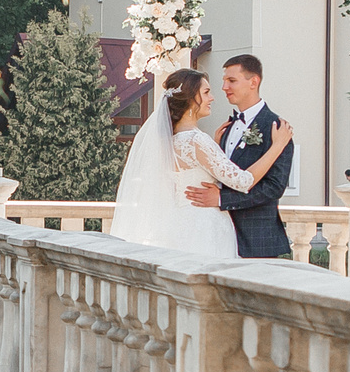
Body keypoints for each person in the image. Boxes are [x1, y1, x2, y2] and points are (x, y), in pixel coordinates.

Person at [107, 66, 293, 257]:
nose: (212, 98)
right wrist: (277, 146)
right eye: (206, 92)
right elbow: (243, 181)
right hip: (204, 226)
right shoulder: (197, 140)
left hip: (179, 224)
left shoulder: (169, 140)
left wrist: (215, 148)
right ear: (190, 98)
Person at [182, 54, 298, 258]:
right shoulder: (227, 128)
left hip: (256, 241)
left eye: (232, 80)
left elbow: (274, 188)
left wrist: (222, 199)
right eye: (224, 81)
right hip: (218, 234)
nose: (224, 87)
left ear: (254, 82)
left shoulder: (277, 129)